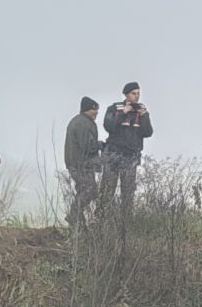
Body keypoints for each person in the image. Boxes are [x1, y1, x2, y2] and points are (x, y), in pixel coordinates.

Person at [102, 82, 153, 223]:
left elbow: (148, 132)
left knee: (128, 193)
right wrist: (122, 113)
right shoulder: (115, 108)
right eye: (133, 93)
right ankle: (102, 222)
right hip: (113, 155)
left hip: (131, 157)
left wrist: (145, 117)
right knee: (107, 190)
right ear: (126, 94)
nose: (136, 96)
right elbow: (108, 126)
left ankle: (126, 224)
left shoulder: (141, 111)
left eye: (138, 93)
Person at [64, 96, 103, 229]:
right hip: (81, 164)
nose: (97, 112)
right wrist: (100, 145)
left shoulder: (78, 121)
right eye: (95, 110)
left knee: (83, 190)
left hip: (76, 163)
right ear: (89, 109)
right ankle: (74, 215)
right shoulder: (84, 123)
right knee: (89, 190)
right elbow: (87, 146)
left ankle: (79, 226)